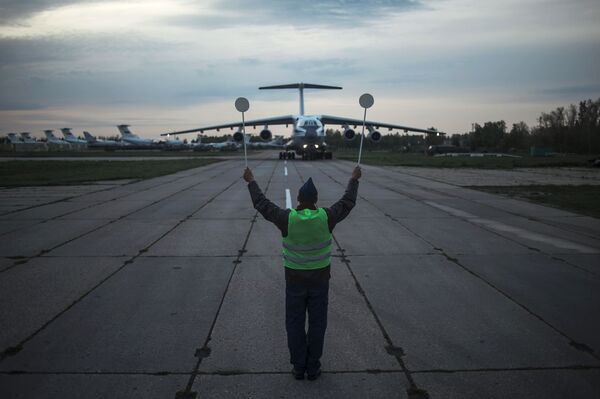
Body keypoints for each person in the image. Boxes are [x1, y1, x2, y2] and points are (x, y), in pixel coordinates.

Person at [243, 165, 361, 381]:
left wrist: (251, 182)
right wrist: (354, 179)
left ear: (298, 198)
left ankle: (299, 367)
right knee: (318, 324)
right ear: (316, 200)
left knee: (295, 324)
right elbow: (347, 202)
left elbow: (262, 204)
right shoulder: (326, 217)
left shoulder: (288, 219)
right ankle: (313, 367)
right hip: (320, 281)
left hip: (295, 281)